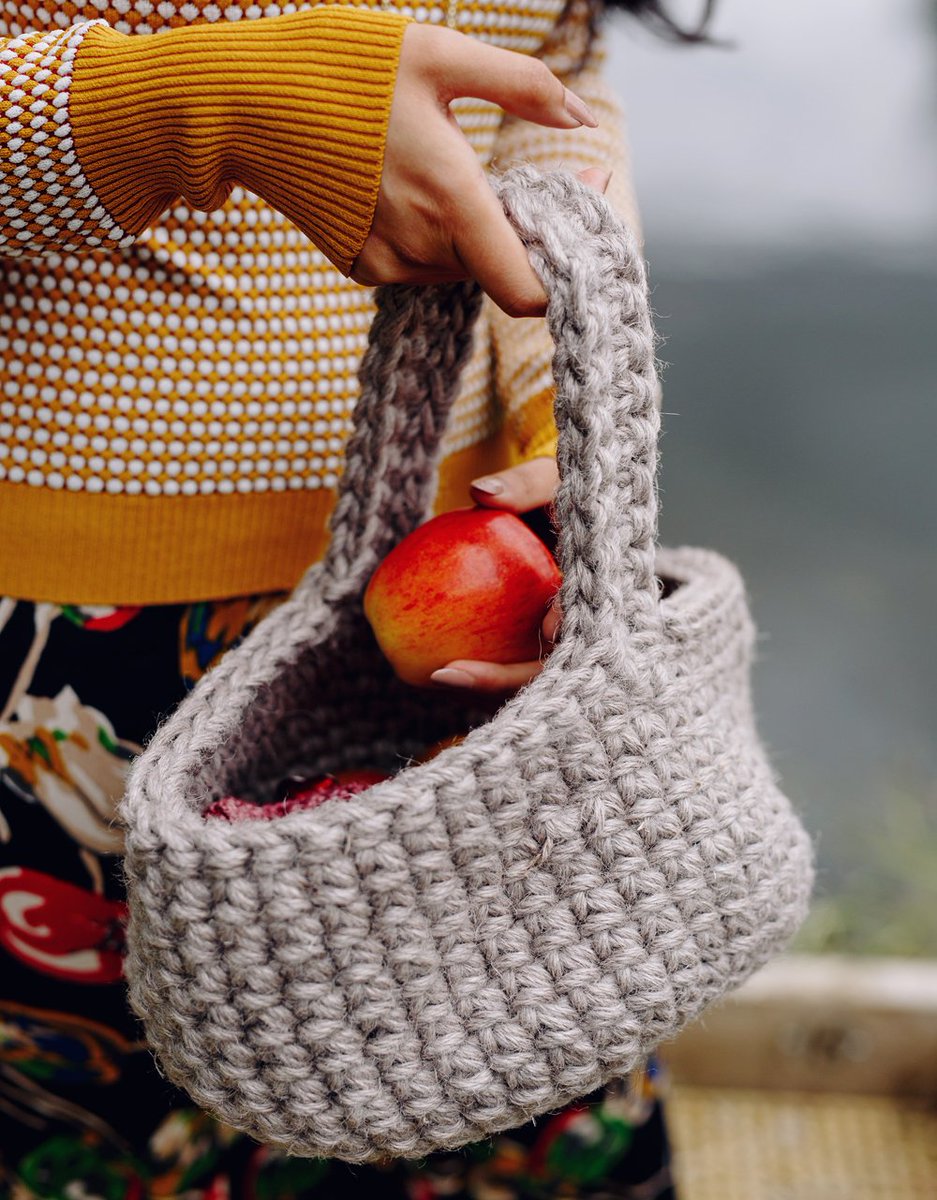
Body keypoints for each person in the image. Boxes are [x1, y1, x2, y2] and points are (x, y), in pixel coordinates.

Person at [0, 0, 714, 1195]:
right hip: (60, 671)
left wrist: (563, 435)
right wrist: (225, 99)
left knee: (500, 1105)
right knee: (98, 1149)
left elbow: (547, 79)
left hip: (462, 642)